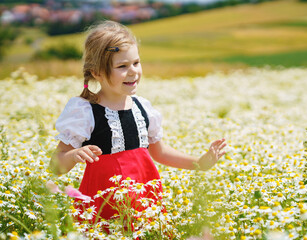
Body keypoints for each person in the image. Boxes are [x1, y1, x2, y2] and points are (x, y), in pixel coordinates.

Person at [50, 20, 226, 224]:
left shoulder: (143, 108)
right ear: (97, 72)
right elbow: (56, 166)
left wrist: (199, 163)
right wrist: (73, 155)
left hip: (144, 201)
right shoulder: (85, 112)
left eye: (136, 63)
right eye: (122, 66)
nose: (133, 71)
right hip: (103, 207)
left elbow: (159, 152)